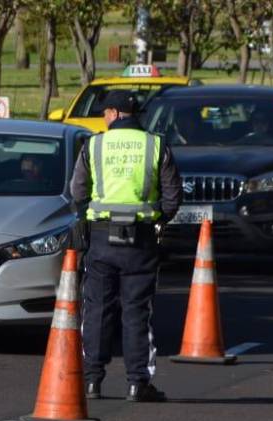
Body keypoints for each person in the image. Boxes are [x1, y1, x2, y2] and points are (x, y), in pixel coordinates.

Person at [69, 90, 181, 403]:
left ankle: (92, 380)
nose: (104, 117)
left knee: (97, 309)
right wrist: (156, 217)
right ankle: (137, 383)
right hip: (141, 240)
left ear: (116, 114)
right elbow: (173, 197)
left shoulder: (95, 144)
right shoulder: (156, 145)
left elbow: (77, 191)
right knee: (137, 312)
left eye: (105, 112)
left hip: (102, 239)